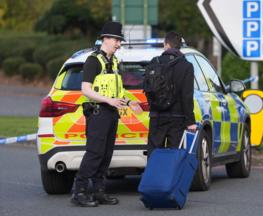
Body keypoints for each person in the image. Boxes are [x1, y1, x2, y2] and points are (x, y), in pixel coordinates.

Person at [71, 21, 141, 207]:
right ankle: (79, 191)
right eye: (117, 40)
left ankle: (99, 191)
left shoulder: (115, 62)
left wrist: (128, 102)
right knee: (94, 153)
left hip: (111, 113)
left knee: (106, 154)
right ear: (106, 39)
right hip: (98, 112)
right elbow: (85, 89)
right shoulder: (93, 60)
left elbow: (117, 91)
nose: (119, 44)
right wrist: (108, 101)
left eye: (120, 41)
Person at [146, 31, 196, 157]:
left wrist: (154, 106)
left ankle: (154, 176)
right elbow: (187, 96)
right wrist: (190, 121)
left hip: (157, 117)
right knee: (175, 155)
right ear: (179, 46)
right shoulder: (186, 66)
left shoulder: (154, 62)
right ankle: (172, 177)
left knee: (154, 154)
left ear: (166, 44)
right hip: (177, 118)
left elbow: (148, 89)